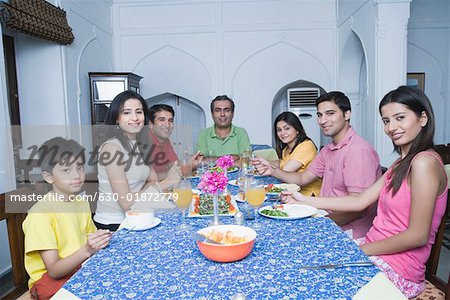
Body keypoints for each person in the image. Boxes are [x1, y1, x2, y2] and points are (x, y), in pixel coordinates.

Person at [282, 86, 448, 298]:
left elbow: (417, 236)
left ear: (423, 118)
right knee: (305, 263)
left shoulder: (424, 163)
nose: (391, 127)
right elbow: (360, 200)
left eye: (400, 118)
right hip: (374, 248)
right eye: (387, 121)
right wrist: (304, 200)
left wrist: (359, 252)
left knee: (316, 284)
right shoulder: (400, 164)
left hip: (399, 267)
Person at [253, 91, 381, 239]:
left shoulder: (358, 151)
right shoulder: (328, 150)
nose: (323, 120)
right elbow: (302, 179)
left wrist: (318, 223)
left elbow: (359, 210)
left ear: (347, 115)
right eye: (320, 115)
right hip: (325, 215)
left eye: (330, 113)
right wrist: (272, 170)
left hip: (350, 231)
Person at [22, 137, 112, 299]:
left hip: (80, 269)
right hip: (52, 283)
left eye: (80, 167)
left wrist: (100, 239)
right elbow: (55, 271)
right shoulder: (40, 214)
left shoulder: (81, 202)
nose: (77, 175)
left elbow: (90, 238)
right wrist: (88, 249)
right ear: (49, 177)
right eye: (66, 170)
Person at [93, 91, 181, 231]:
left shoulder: (141, 144)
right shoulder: (112, 148)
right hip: (115, 225)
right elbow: (126, 203)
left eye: (139, 112)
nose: (135, 117)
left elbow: (152, 180)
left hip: (139, 216)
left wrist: (145, 190)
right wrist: (167, 183)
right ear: (117, 118)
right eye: (127, 113)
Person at [262, 111, 322, 196]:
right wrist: (263, 163)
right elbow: (282, 163)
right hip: (292, 193)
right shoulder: (286, 149)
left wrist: (269, 167)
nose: (282, 133)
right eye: (279, 130)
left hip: (308, 195)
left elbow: (285, 171)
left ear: (297, 129)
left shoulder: (306, 146)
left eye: (287, 128)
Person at [148, 104, 203, 180]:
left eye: (170, 120)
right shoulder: (142, 142)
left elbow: (174, 165)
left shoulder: (165, 140)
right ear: (151, 124)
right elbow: (145, 179)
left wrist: (190, 164)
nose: (167, 125)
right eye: (162, 120)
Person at [197, 95, 250, 161]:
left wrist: (211, 159)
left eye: (227, 110)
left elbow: (246, 161)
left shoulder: (241, 133)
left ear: (232, 114)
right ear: (212, 114)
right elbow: (200, 161)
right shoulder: (203, 134)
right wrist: (231, 158)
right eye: (218, 110)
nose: (222, 114)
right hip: (209, 172)